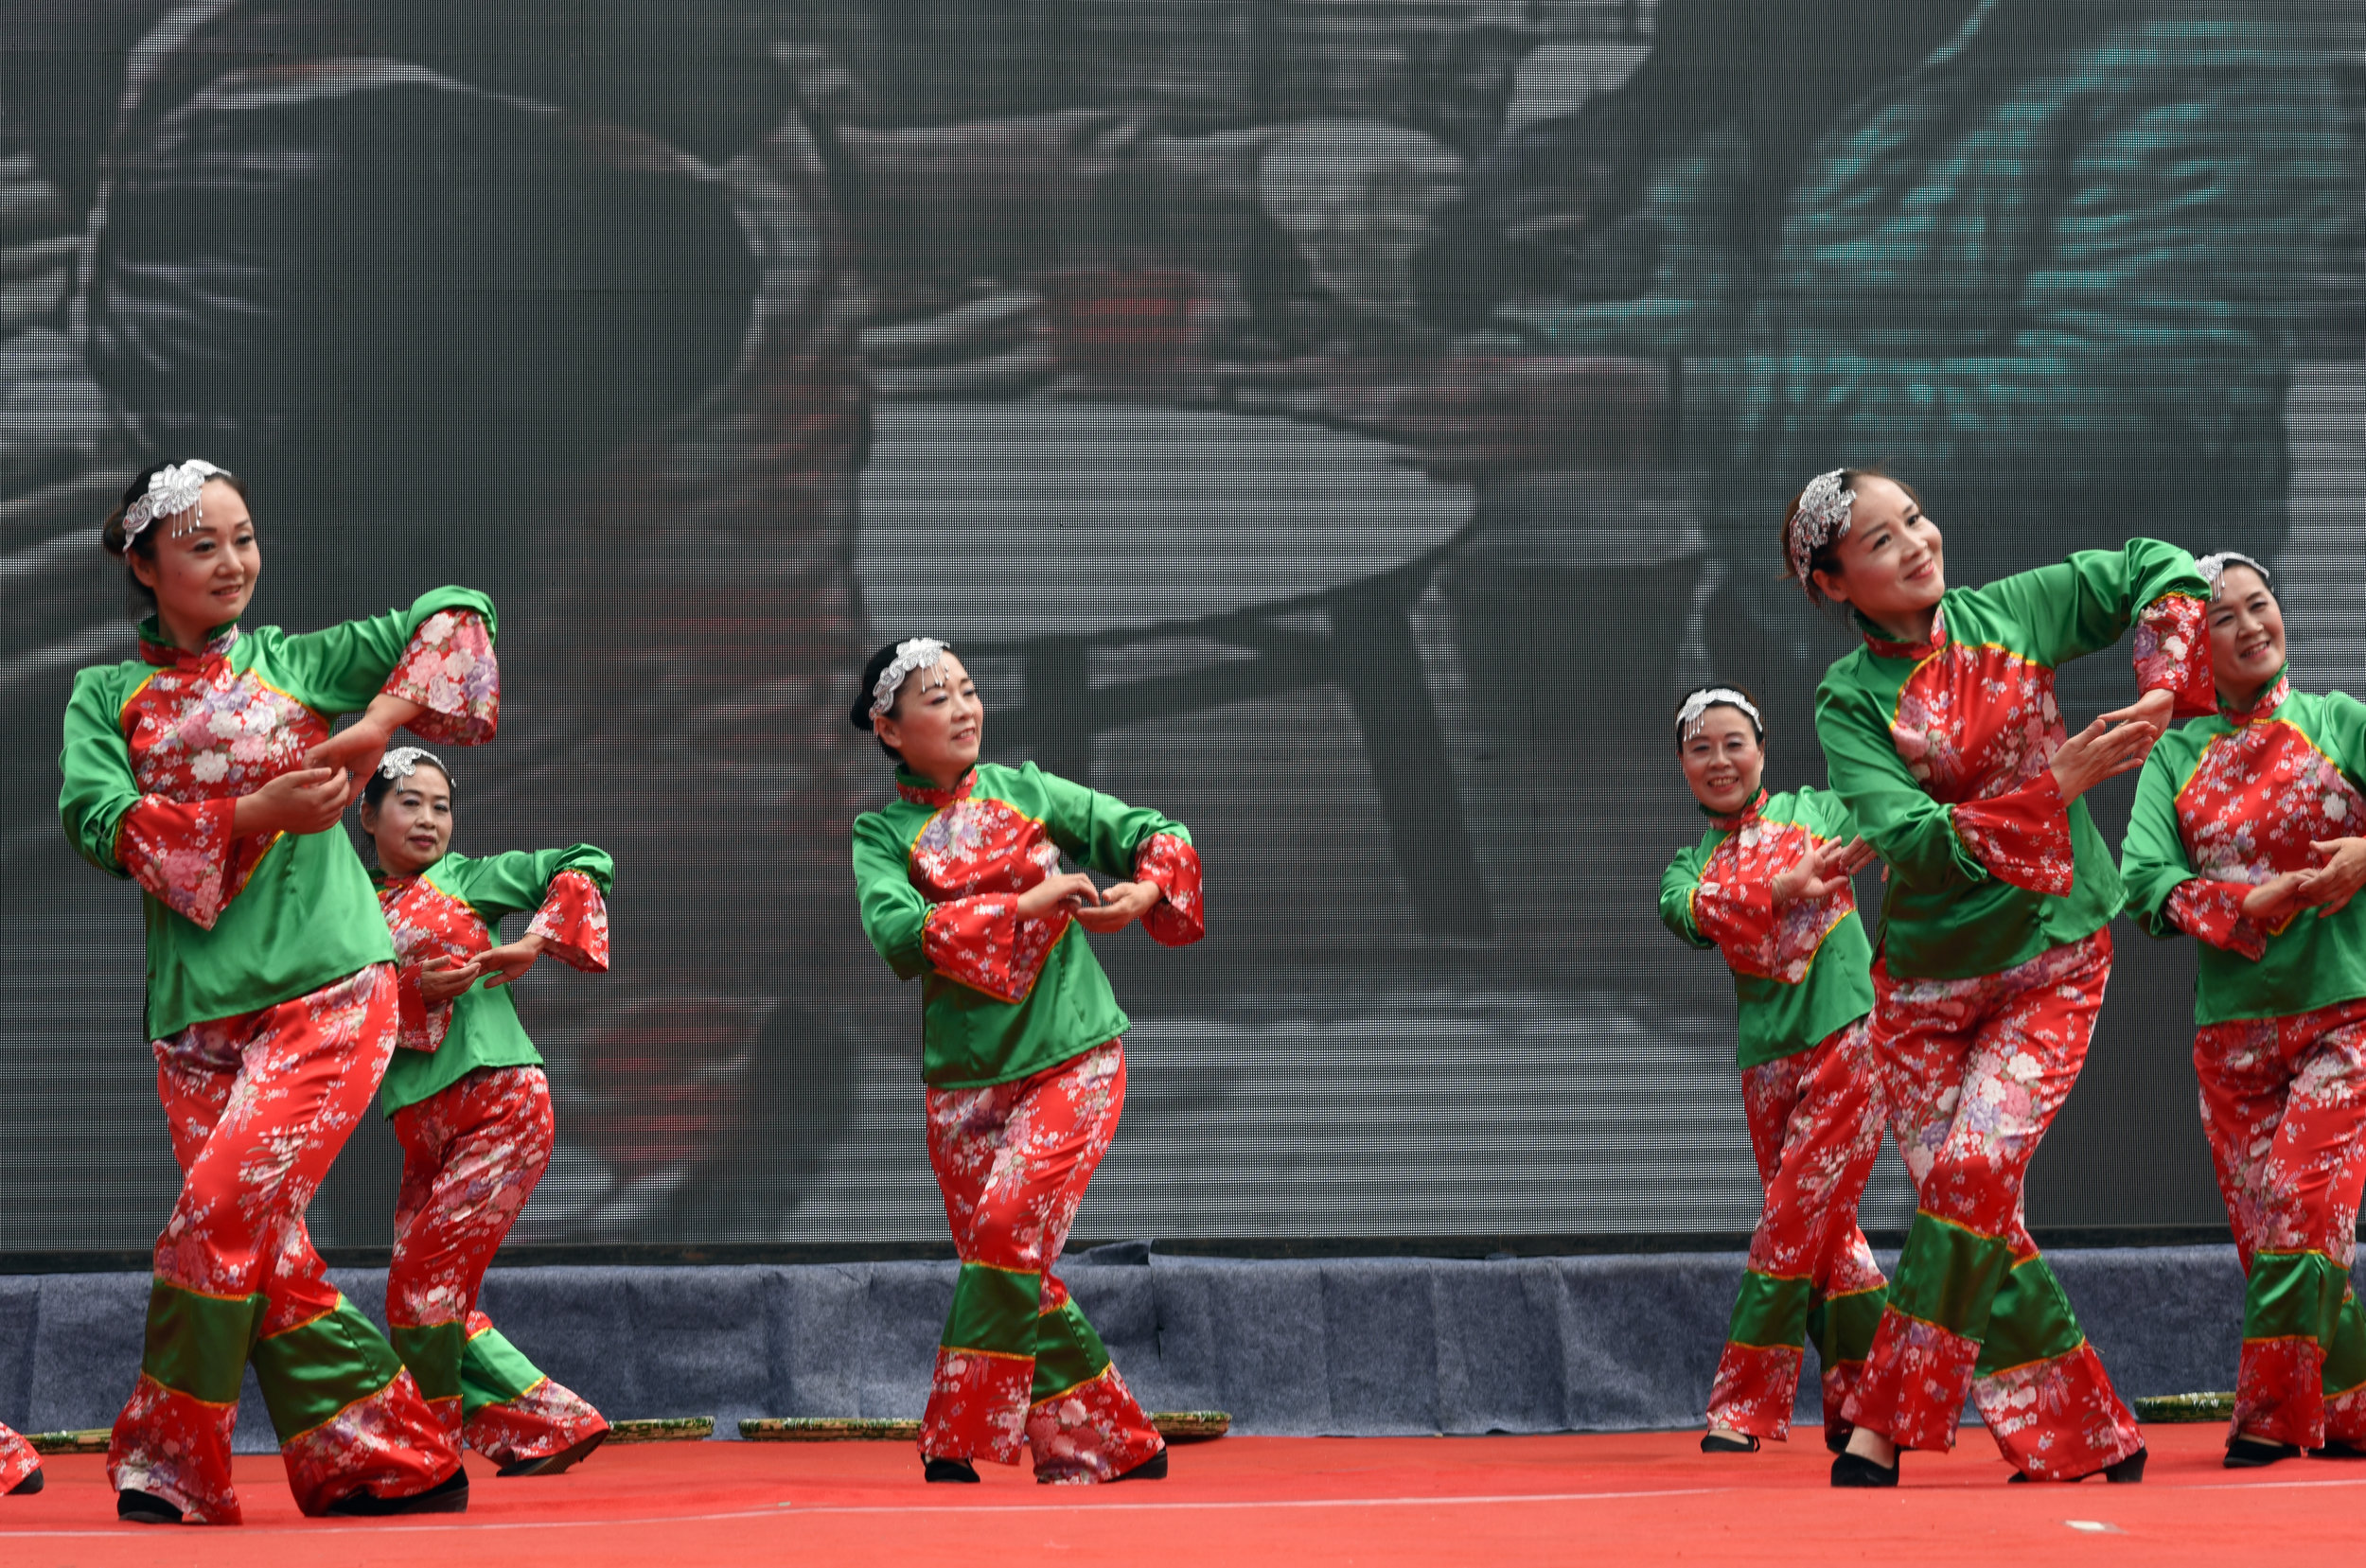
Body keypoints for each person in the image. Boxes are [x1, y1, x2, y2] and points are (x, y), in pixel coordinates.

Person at [59, 460, 498, 1524]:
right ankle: (387, 1458)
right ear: (144, 563)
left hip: (330, 995)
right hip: (195, 1019)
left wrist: (377, 721)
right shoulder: (106, 696)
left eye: (244, 537)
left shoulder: (300, 664)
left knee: (212, 1219)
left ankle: (169, 1462)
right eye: (202, 544)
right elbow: (96, 818)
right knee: (266, 1246)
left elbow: (461, 613)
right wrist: (256, 814)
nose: (232, 562)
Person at [1795, 467, 2215, 1487]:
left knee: (1972, 1176)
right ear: (1832, 583)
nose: (1916, 542)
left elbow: (2161, 568)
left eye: (1916, 518)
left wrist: (2161, 680)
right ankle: (2090, 1437)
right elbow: (1914, 844)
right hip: (1923, 992)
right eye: (1882, 540)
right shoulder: (1846, 701)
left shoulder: (2014, 611)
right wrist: (2057, 783)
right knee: (1972, 1206)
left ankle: (1882, 1422)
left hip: (2051, 958)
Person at [848, 637, 1204, 1485]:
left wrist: (1147, 890)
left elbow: (1157, 833)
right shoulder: (879, 834)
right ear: (888, 729)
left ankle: (951, 1434)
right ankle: (1116, 1442)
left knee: (1006, 1233)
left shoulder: (1029, 790)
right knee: (1009, 1267)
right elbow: (898, 933)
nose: (965, 708)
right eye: (937, 698)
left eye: (968, 691)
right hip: (965, 1083)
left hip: (1072, 1053)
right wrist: (1030, 900)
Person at [2120, 554, 2366, 1468]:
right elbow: (2143, 882)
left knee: (2305, 1207)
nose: (2249, 623)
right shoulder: (2174, 756)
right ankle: (2352, 1410)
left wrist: (2360, 860)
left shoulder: (2338, 722)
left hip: (2348, 1014)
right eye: (2222, 617)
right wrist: (2238, 906)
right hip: (2232, 1039)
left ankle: (2265, 1414)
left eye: (2258, 604)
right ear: (2194, 648)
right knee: (2276, 1243)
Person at [360, 746, 614, 1477]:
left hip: (500, 1103)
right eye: (409, 801)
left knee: (419, 1290)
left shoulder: (465, 880)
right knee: (429, 1298)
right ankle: (550, 1423)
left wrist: (534, 940)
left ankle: (428, 1449)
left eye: (441, 805)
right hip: (423, 1128)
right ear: (368, 814)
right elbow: (334, 1011)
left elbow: (584, 858)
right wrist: (415, 992)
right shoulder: (342, 907)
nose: (429, 818)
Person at [1659, 685, 1887, 1454]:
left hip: (1849, 1034)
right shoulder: (1686, 868)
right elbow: (1691, 911)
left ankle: (1743, 1405)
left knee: (1791, 1218)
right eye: (1701, 747)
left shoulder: (1821, 809)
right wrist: (1782, 888)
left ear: (1762, 748)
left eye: (1733, 743)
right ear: (1683, 765)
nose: (1719, 759)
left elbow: (1892, 806)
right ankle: (1866, 1404)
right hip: (1765, 1062)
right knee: (1828, 1231)